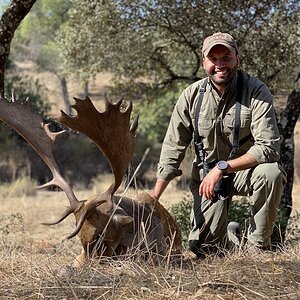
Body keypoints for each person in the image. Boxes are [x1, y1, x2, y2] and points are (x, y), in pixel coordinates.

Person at [150, 32, 286, 257]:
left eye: (226, 57)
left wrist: (222, 167)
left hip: (246, 171)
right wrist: (154, 197)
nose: (220, 65)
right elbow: (173, 147)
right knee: (205, 250)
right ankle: (232, 236)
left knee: (271, 172)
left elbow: (269, 147)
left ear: (237, 59)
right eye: (213, 59)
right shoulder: (191, 96)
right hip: (206, 179)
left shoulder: (256, 90)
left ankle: (258, 247)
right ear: (204, 62)